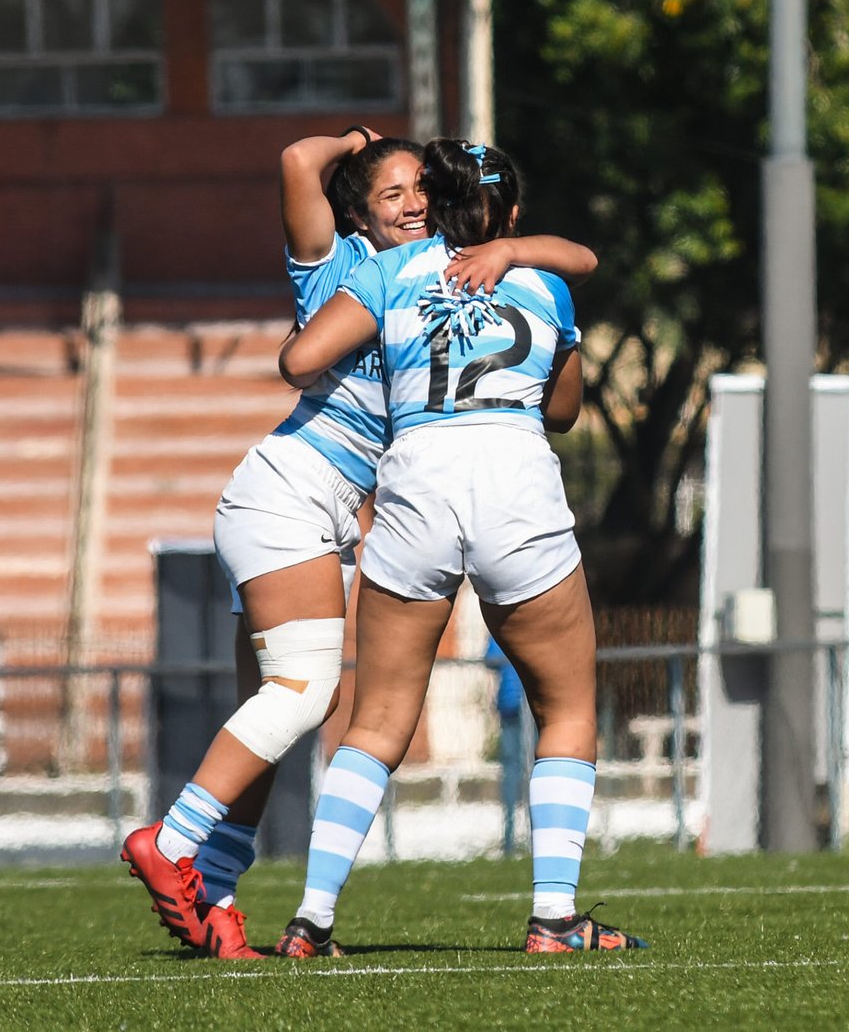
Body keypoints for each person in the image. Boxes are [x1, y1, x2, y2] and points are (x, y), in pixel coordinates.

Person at [121, 128, 598, 959]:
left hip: (336, 510)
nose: (413, 204)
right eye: (393, 194)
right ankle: (170, 842)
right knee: (306, 698)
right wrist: (356, 143)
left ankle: (219, 904)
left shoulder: (416, 273)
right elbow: (300, 316)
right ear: (357, 214)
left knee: (278, 721)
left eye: (424, 192)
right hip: (294, 492)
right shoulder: (349, 269)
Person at [273, 138, 647, 957]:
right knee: (568, 706)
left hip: (419, 478)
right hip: (514, 477)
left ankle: (312, 918)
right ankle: (554, 918)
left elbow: (300, 360)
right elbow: (564, 411)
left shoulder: (388, 271)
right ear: (511, 215)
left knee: (375, 719)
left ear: (432, 209)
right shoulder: (543, 281)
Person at [486, 634, 529, 857]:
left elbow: (491, 660)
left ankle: (514, 838)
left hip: (513, 705)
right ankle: (514, 837)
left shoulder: (498, 624)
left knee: (516, 771)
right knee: (521, 771)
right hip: (518, 707)